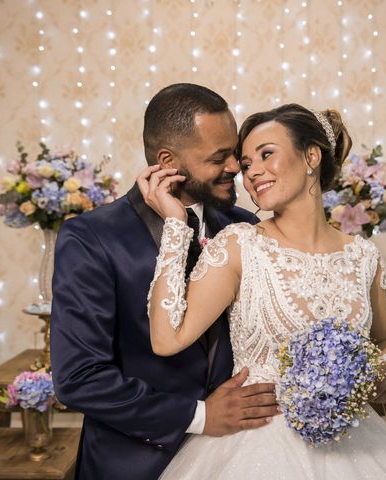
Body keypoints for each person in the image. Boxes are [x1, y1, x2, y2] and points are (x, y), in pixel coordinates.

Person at [141, 103, 386, 479]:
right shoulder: (239, 245)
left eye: (267, 155)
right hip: (255, 450)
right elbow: (166, 340)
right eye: (247, 164)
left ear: (311, 155)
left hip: (357, 449)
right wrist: (175, 224)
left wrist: (381, 375)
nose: (251, 174)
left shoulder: (363, 255)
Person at [50, 83, 280, 480]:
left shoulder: (246, 226)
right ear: (167, 161)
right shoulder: (91, 238)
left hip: (239, 459)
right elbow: (79, 378)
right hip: (133, 465)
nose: (234, 168)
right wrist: (201, 415)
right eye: (219, 157)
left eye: (234, 152)